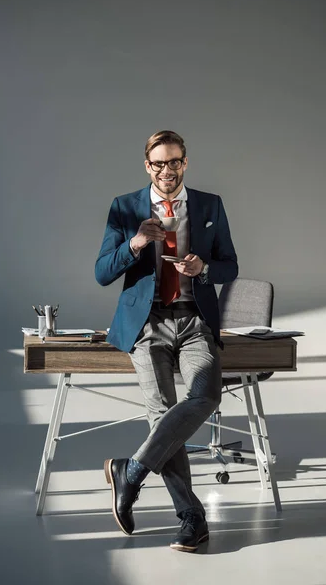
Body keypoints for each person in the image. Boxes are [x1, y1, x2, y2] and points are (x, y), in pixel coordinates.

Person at [95, 130, 238, 552]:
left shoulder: (210, 205)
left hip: (195, 320)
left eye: (174, 162)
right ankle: (192, 518)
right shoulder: (125, 208)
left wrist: (204, 269)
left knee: (206, 395)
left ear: (185, 163)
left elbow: (230, 265)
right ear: (147, 166)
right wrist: (135, 244)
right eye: (159, 163)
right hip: (148, 321)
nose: (167, 171)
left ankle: (132, 471)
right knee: (162, 414)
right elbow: (103, 272)